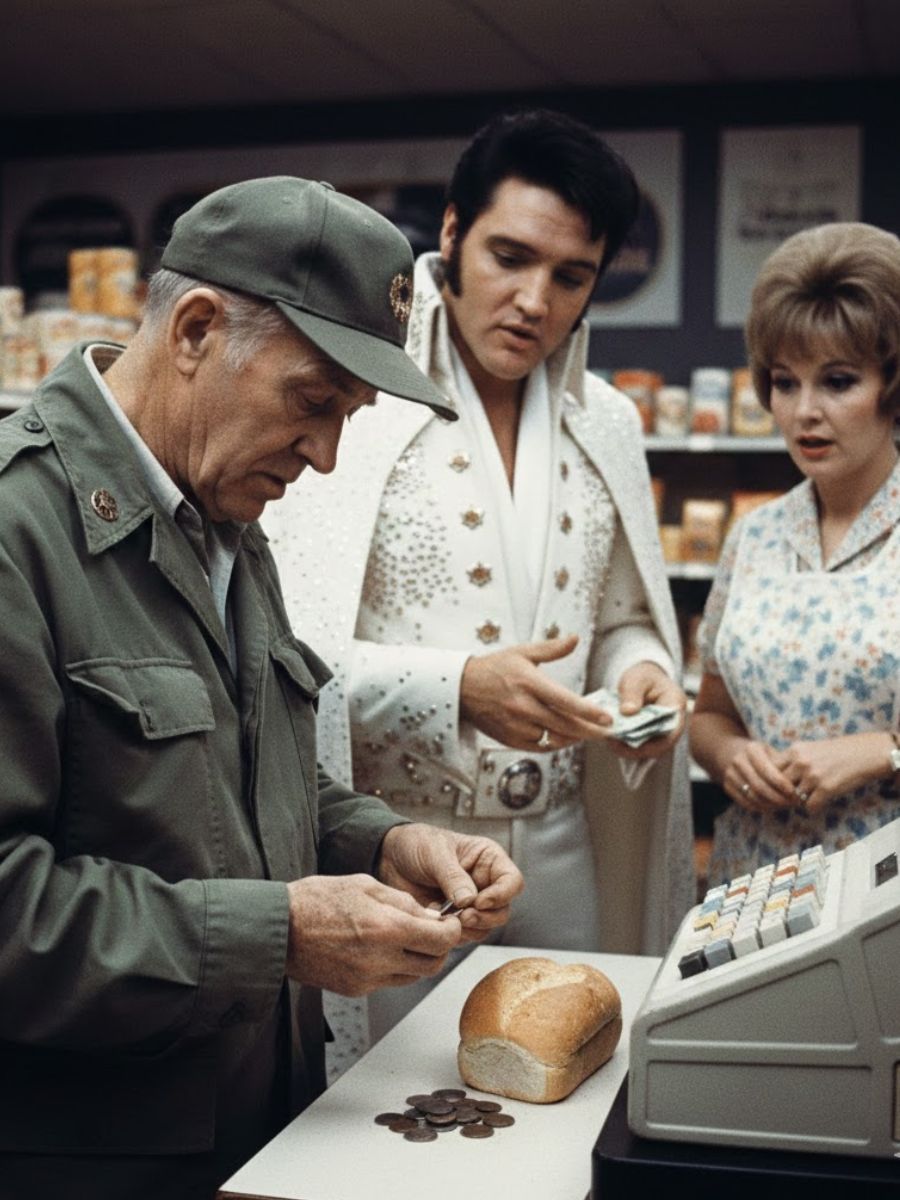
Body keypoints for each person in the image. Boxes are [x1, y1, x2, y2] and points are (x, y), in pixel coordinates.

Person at [0, 176, 524, 1200]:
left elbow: (241, 783)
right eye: (313, 402)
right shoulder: (21, 533)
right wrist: (280, 934)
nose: (326, 457)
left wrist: (383, 840)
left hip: (265, 1127)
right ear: (196, 328)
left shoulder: (228, 526)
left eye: (350, 417)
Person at [264, 111, 695, 1042]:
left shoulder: (609, 423)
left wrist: (640, 669)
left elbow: (623, 613)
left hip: (565, 848)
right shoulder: (356, 400)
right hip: (398, 856)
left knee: (571, 1091)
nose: (535, 300)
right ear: (452, 234)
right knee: (391, 1129)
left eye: (571, 277)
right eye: (510, 256)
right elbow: (283, 657)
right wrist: (459, 689)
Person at [690, 221, 900, 883]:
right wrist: (729, 758)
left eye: (837, 382)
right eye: (785, 383)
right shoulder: (754, 535)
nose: (804, 411)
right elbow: (712, 714)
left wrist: (883, 750)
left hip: (884, 885)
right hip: (756, 878)